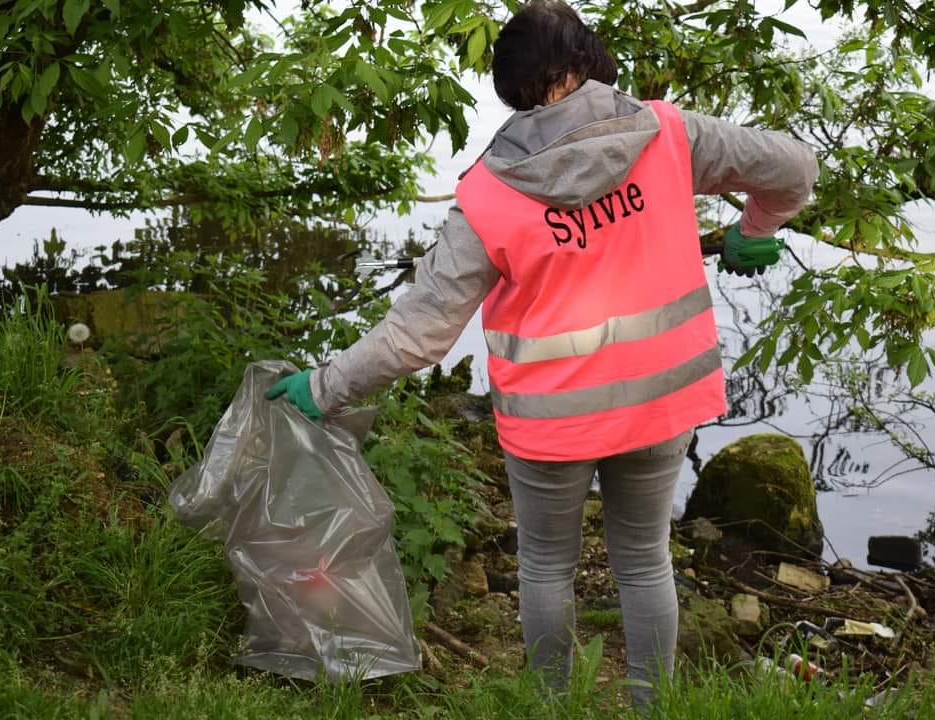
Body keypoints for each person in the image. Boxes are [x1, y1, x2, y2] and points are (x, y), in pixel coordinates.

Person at [267, 0, 818, 706]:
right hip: (661, 402)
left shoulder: (488, 191)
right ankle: (658, 706)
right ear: (583, 64)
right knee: (646, 562)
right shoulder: (668, 134)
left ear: (516, 87)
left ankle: (550, 705)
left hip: (552, 422)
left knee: (548, 566)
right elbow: (794, 165)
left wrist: (326, 384)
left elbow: (420, 332)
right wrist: (756, 224)